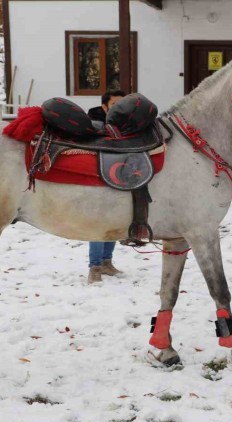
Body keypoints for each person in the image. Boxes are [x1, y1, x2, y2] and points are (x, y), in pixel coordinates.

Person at [87, 89, 127, 284]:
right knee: (98, 223)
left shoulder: (127, 124)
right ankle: (94, 267)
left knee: (113, 221)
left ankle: (106, 262)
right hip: (97, 178)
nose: (119, 109)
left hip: (118, 178)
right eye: (114, 105)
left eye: (122, 105)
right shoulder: (94, 125)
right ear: (104, 107)